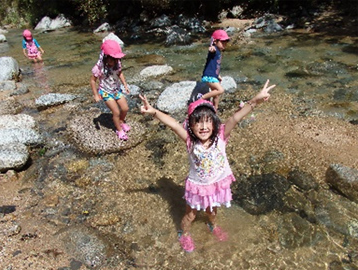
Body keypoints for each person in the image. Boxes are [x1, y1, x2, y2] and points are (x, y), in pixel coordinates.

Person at [139, 79, 276, 252]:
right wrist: (154, 112)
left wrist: (255, 100)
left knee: (212, 211)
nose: (203, 127)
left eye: (207, 122)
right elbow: (173, 124)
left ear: (214, 123)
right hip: (198, 186)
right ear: (191, 126)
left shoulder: (221, 137)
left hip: (217, 184)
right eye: (198, 123)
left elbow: (236, 117)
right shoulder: (190, 141)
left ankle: (213, 225)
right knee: (190, 215)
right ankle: (185, 234)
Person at [90, 39, 131, 141]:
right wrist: (95, 94)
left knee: (125, 108)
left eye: (116, 59)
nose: (115, 61)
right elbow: (92, 81)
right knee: (116, 112)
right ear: (105, 57)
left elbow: (119, 73)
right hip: (106, 92)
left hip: (116, 89)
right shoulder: (99, 68)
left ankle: (121, 122)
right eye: (112, 59)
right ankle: (119, 130)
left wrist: (125, 85)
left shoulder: (117, 63)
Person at [200, 29, 230, 110]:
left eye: (225, 43)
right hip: (209, 76)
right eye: (222, 42)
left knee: (216, 95)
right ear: (215, 42)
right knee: (220, 90)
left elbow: (214, 65)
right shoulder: (215, 50)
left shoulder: (219, 52)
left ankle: (215, 109)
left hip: (213, 76)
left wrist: (218, 75)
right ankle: (202, 97)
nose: (224, 44)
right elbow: (211, 49)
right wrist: (211, 48)